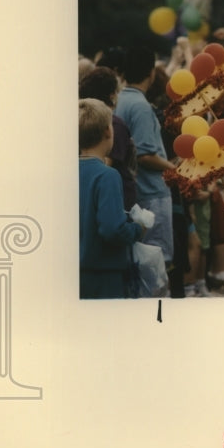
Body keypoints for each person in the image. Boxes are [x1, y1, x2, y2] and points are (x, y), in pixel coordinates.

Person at [114, 46, 177, 270]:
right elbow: (145, 155)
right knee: (155, 260)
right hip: (151, 193)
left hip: (135, 192)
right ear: (151, 73)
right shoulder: (140, 106)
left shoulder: (120, 99)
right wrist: (174, 169)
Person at [79, 98, 144, 299]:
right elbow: (112, 229)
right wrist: (138, 228)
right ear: (108, 131)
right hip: (104, 276)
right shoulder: (107, 175)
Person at [78, 66, 138, 211]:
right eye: (118, 91)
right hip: (115, 200)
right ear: (112, 96)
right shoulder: (113, 124)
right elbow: (106, 164)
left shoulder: (81, 119)